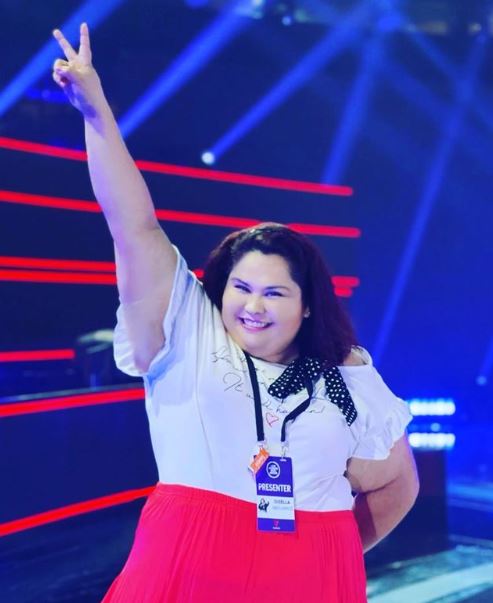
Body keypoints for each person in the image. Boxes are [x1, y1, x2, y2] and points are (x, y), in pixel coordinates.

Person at [52, 23, 419, 603]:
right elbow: (133, 225)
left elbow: (397, 483)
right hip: (186, 567)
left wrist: (329, 555)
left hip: (309, 578)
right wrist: (95, 113)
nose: (252, 306)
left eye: (275, 293)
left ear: (307, 306)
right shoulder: (187, 331)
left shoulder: (344, 371)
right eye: (241, 288)